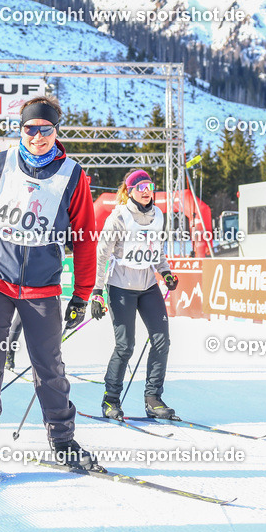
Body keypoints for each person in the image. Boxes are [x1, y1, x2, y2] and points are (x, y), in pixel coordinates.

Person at [0, 95, 102, 473]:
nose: (38, 136)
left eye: (45, 129)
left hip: (42, 287)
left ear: (55, 131)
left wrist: (82, 294)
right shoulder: (0, 164)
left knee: (50, 369)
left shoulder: (73, 174)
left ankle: (63, 442)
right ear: (21, 130)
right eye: (31, 129)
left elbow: (85, 238)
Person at [90, 169, 179, 421]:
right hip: (121, 287)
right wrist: (97, 291)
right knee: (125, 345)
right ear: (130, 191)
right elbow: (102, 254)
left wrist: (166, 272)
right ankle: (110, 400)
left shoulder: (159, 215)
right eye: (139, 187)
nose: (145, 190)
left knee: (162, 340)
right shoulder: (118, 216)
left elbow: (157, 250)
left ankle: (153, 399)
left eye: (148, 185)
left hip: (148, 285)